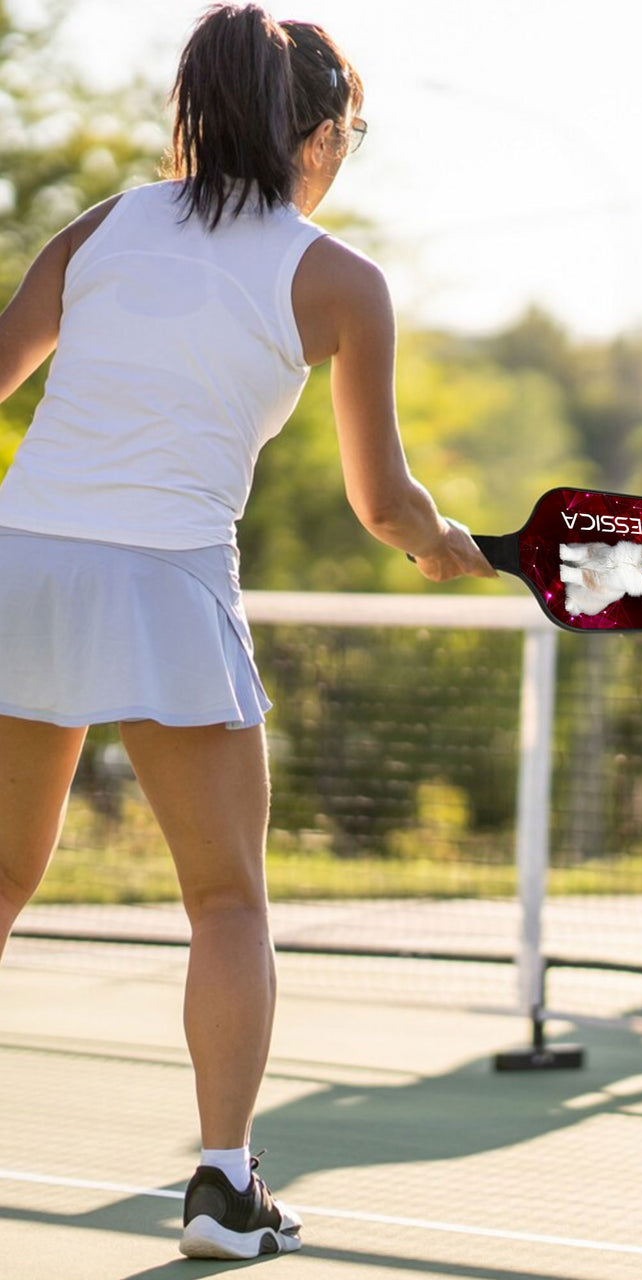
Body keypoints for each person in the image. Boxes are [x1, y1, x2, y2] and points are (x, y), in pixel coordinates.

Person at [0, 4, 493, 1260]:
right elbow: (380, 503)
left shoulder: (105, 223)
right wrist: (438, 539)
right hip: (168, 582)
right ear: (316, 137)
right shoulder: (342, 281)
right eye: (353, 133)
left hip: (24, 563)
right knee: (225, 899)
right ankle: (224, 1183)